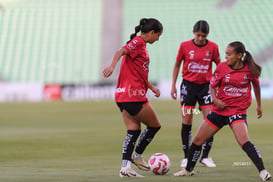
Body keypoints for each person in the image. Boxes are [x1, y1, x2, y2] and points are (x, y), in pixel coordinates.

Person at [173, 41, 272, 181]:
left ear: (239, 56)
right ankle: (188, 169)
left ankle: (263, 171)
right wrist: (215, 100)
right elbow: (212, 86)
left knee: (244, 141)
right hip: (219, 111)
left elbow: (256, 86)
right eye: (225, 53)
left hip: (237, 112)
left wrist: (259, 105)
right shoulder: (221, 67)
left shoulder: (249, 70)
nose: (225, 57)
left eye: (228, 54)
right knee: (197, 140)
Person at [102, 18, 163, 178]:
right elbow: (120, 51)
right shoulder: (138, 42)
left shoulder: (140, 45)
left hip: (122, 95)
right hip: (133, 95)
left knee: (133, 131)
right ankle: (136, 155)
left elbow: (138, 73)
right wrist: (112, 65)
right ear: (151, 33)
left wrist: (151, 87)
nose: (158, 39)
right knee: (154, 125)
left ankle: (125, 168)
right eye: (158, 35)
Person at [171, 20, 221, 168]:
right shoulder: (184, 46)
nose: (200, 38)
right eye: (198, 35)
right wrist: (173, 85)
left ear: (207, 35)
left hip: (206, 87)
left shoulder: (213, 47)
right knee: (187, 121)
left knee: (210, 120)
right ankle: (187, 157)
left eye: (203, 36)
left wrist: (217, 85)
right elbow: (177, 64)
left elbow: (219, 66)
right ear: (193, 32)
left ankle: (205, 156)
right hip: (188, 87)